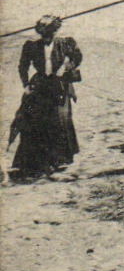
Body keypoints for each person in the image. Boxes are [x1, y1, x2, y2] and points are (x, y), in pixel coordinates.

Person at [10, 15, 83, 178]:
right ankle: (36, 163)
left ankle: (61, 160)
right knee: (36, 121)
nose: (47, 37)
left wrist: (66, 66)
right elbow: (23, 65)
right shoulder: (31, 46)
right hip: (40, 86)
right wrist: (26, 85)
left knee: (60, 121)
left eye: (50, 33)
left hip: (60, 86)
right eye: (44, 34)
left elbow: (77, 57)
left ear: (55, 31)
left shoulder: (66, 43)